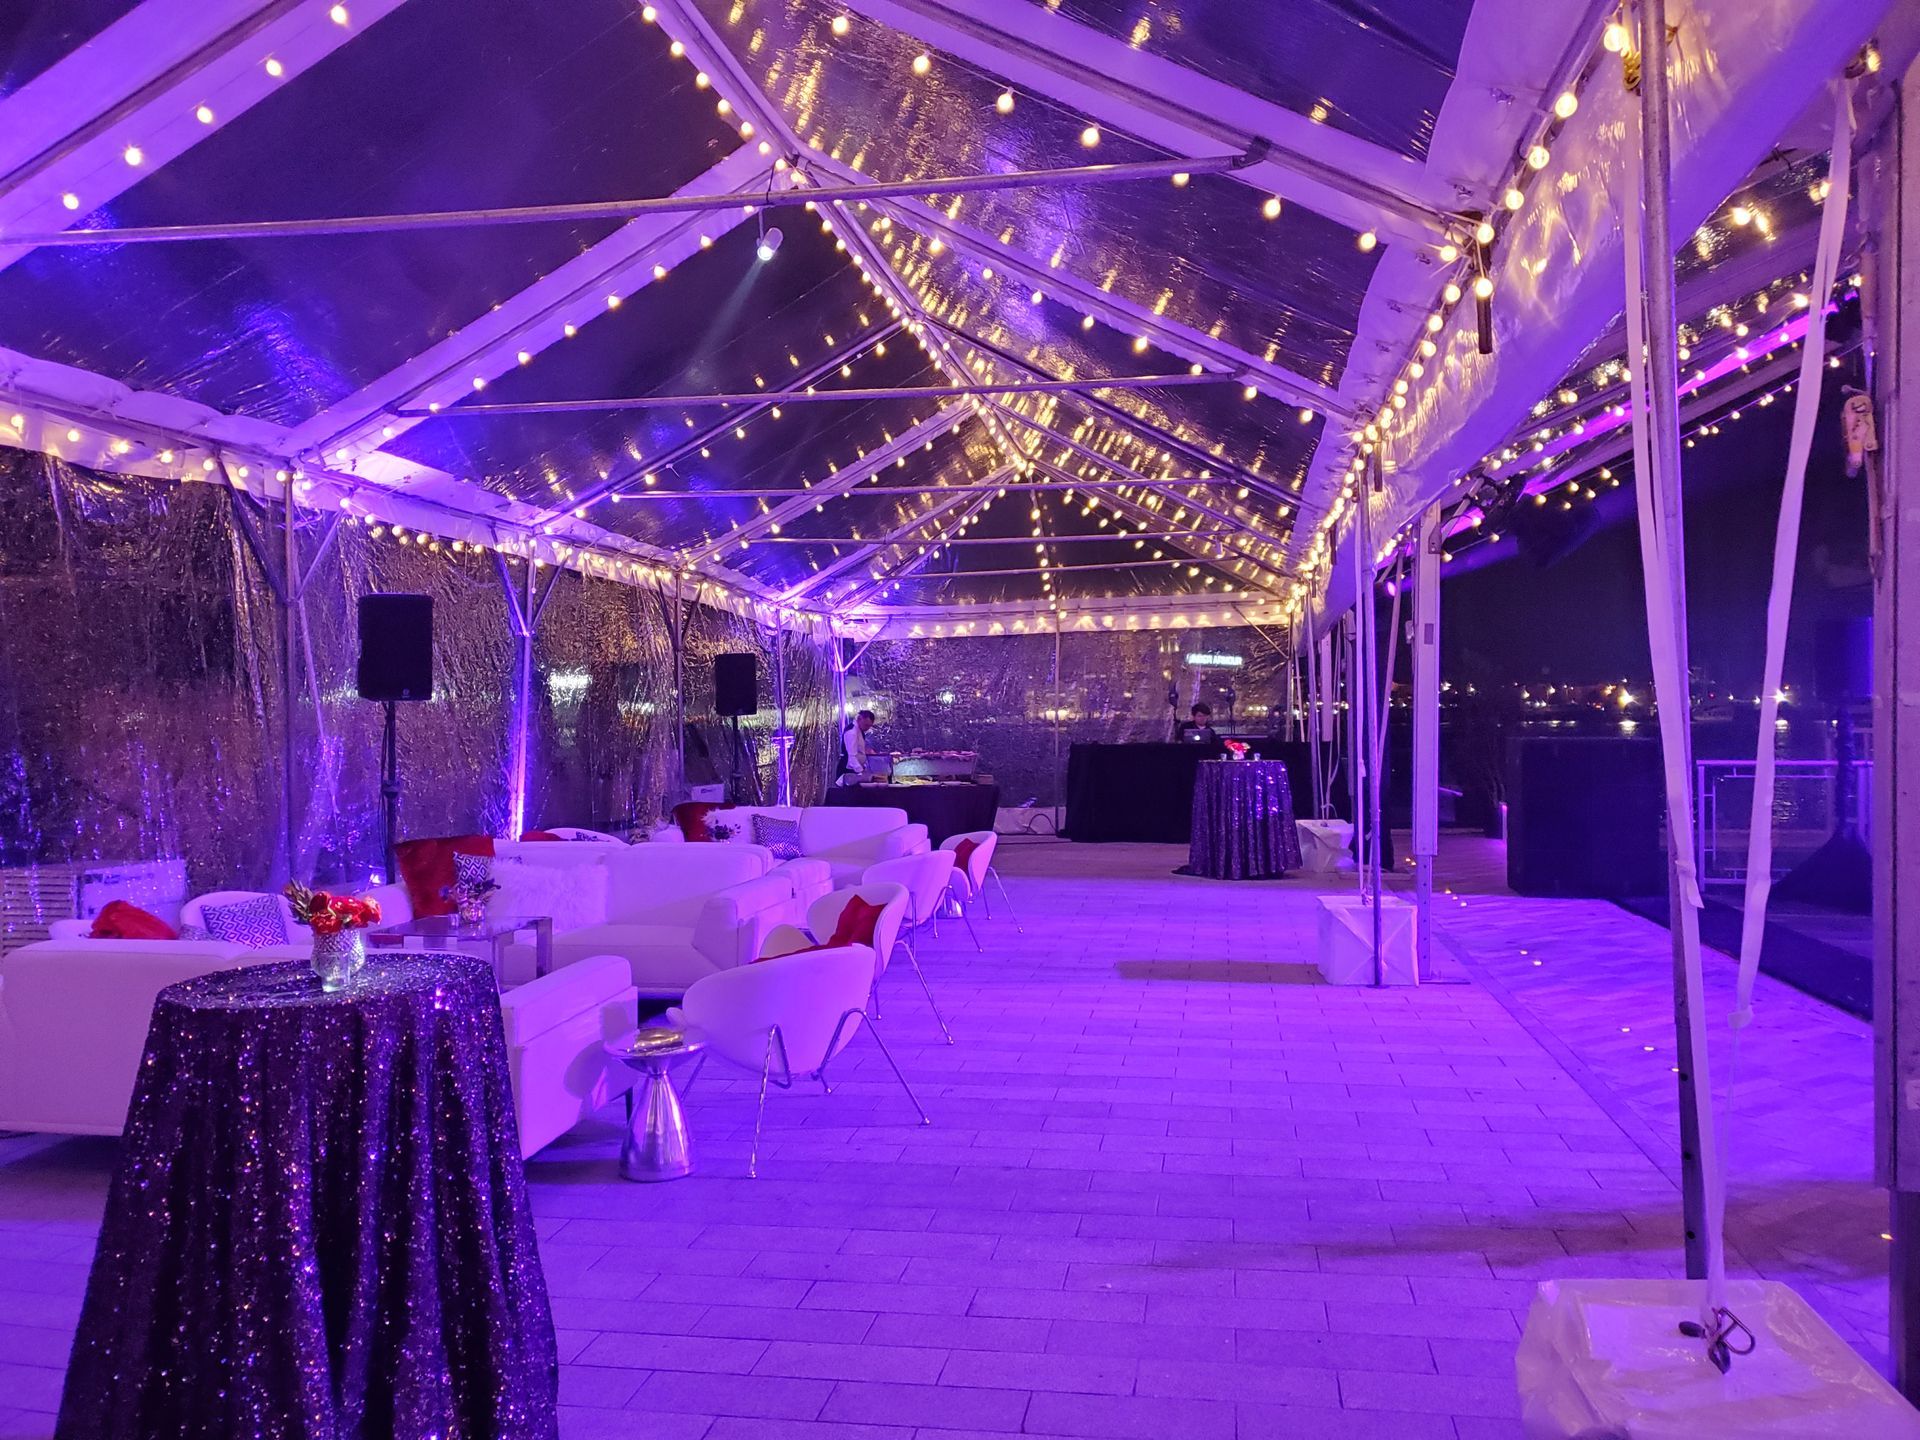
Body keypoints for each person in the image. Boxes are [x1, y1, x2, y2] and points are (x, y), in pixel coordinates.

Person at [838, 709, 877, 785]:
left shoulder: (859, 731)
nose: (867, 728)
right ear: (859, 719)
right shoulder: (852, 732)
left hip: (855, 769)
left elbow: (858, 750)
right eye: (866, 725)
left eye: (869, 726)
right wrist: (861, 772)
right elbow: (852, 756)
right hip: (849, 771)